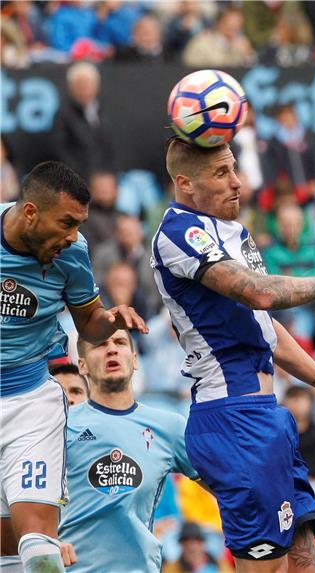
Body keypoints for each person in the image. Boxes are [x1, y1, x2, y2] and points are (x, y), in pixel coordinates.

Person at [152, 137, 315, 572]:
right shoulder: (177, 233)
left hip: (267, 416)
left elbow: (267, 330)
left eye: (234, 169)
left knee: (303, 559)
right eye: (222, 173)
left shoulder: (234, 232)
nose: (238, 182)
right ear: (185, 183)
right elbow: (260, 293)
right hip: (233, 419)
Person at [0, 161, 147, 573]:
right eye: (66, 222)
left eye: (79, 224)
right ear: (30, 212)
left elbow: (89, 322)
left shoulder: (74, 253)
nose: (72, 236)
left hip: (30, 402)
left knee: (41, 551)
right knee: (5, 552)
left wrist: (112, 320)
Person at [58, 330, 200, 573]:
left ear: (135, 359)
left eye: (120, 342)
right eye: (100, 344)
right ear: (82, 365)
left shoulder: (170, 427)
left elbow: (225, 487)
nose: (112, 349)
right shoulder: (60, 425)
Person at [52, 62, 114, 180]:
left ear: (97, 86)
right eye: (80, 85)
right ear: (71, 87)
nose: (85, 89)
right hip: (76, 179)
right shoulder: (62, 115)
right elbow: (60, 152)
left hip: (103, 178)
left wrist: (107, 175)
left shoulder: (103, 111)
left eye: (88, 84)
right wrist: (86, 177)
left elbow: (108, 148)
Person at [163, 522, 234, 573]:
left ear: (202, 544)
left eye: (196, 542)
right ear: (181, 545)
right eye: (186, 543)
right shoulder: (172, 568)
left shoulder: (219, 563)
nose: (191, 547)